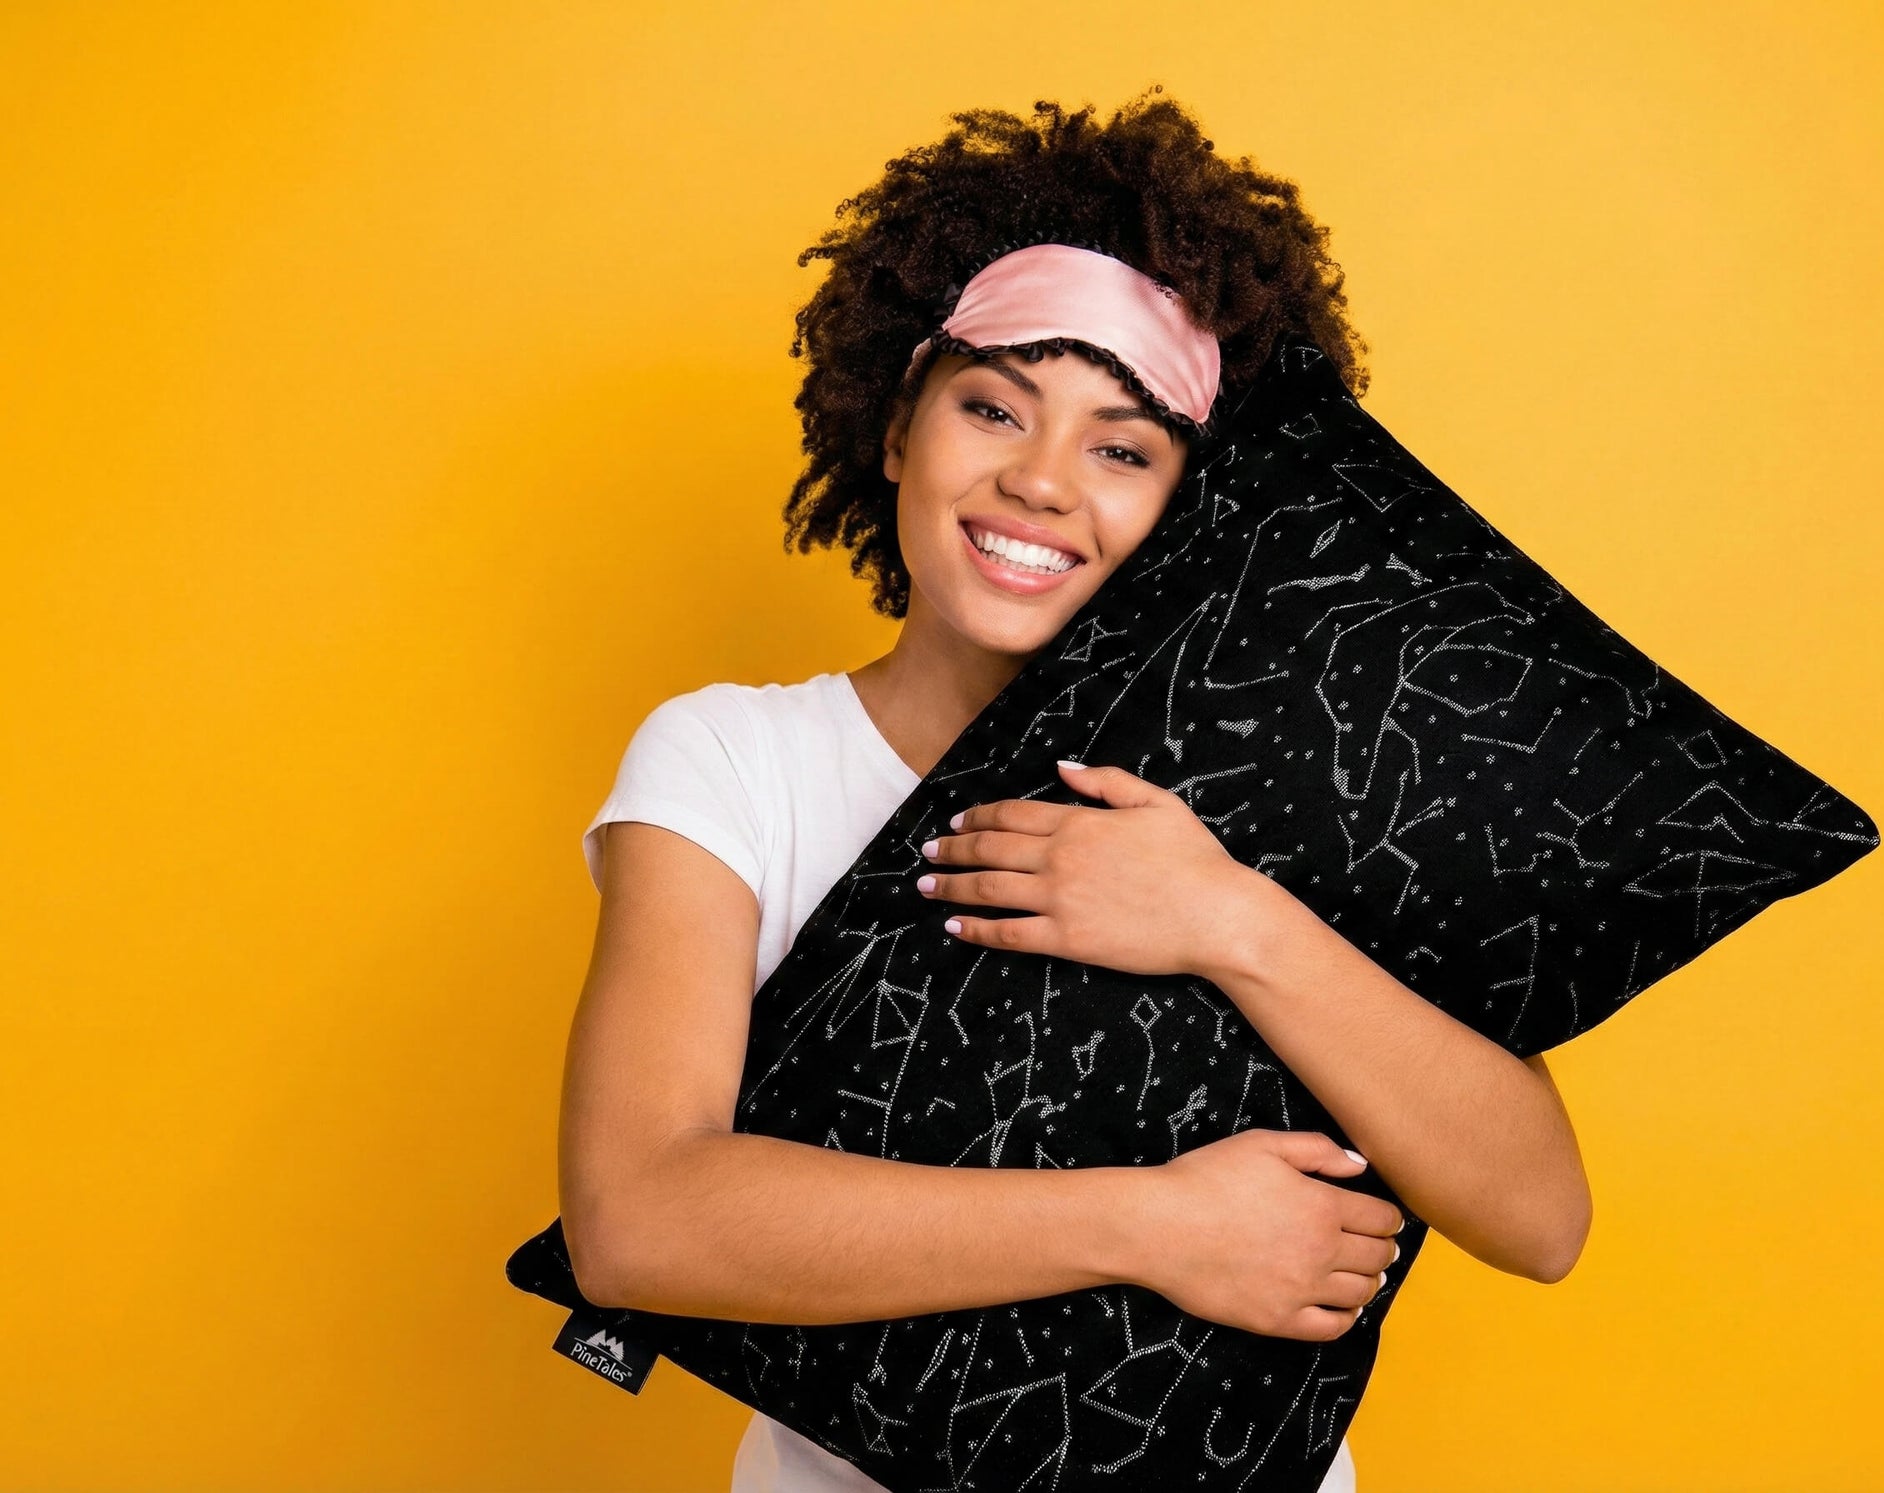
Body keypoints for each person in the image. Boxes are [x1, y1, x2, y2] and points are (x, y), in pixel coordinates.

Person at [556, 89, 1592, 1493]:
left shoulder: (1289, 793)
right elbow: (639, 1220)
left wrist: (1226, 916)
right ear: (896, 428)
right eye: (994, 406)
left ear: (1192, 518)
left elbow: (1540, 1214)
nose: (1041, 482)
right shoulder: (737, 763)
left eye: (1123, 447)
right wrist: (1158, 1223)